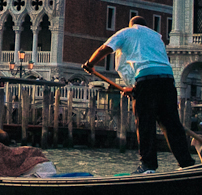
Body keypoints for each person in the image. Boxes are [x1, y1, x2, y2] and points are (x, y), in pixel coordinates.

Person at [83, 15, 194, 173]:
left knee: (145, 123)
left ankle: (148, 165)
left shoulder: (127, 32)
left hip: (146, 80)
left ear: (132, 24)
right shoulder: (156, 37)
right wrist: (134, 88)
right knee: (172, 125)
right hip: (167, 80)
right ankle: (186, 163)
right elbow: (151, 61)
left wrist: (90, 63)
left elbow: (104, 49)